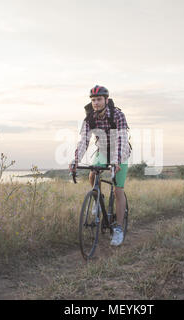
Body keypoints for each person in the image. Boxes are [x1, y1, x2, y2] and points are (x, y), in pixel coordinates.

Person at [69, 85, 131, 246]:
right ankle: (98, 197)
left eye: (99, 99)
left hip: (121, 152)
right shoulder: (89, 118)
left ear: (106, 100)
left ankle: (117, 228)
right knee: (93, 172)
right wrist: (75, 160)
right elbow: (83, 141)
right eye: (93, 100)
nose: (95, 103)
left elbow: (122, 140)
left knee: (118, 190)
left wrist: (116, 161)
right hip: (102, 150)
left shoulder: (118, 115)